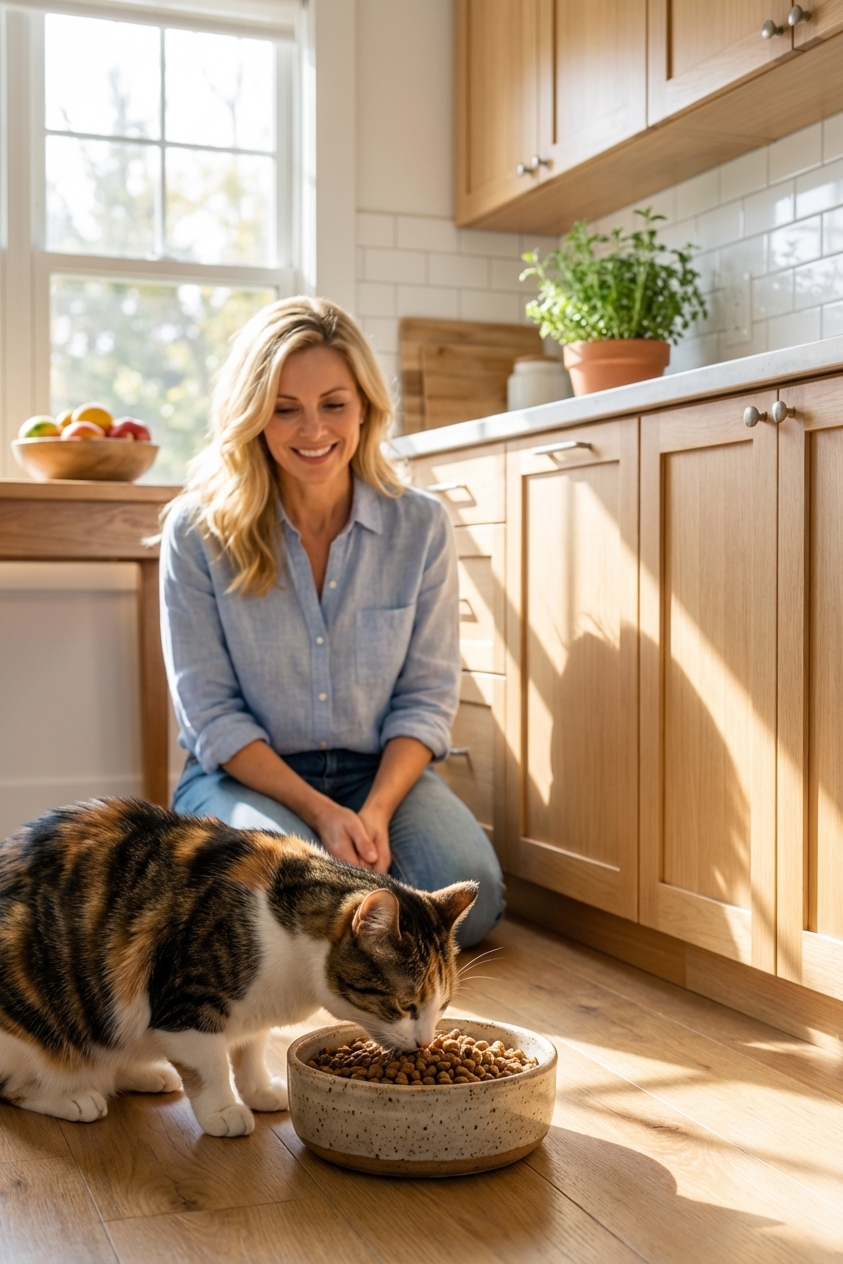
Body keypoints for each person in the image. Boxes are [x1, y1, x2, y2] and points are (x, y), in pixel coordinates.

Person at [159, 295, 504, 946]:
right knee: (279, 905)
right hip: (243, 776)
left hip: (378, 773)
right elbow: (210, 714)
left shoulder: (420, 524)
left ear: (366, 407)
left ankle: (348, 909)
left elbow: (425, 698)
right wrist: (318, 816)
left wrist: (372, 812)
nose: (312, 430)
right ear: (253, 417)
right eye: (284, 409)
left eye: (333, 404)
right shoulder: (197, 530)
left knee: (467, 904)